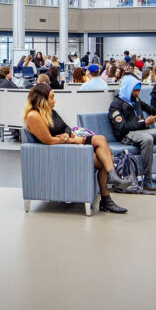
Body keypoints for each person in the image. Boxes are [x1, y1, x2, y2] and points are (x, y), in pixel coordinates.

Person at [22, 83, 131, 213]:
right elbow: (49, 141)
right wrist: (72, 140)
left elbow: (66, 127)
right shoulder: (33, 116)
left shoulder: (50, 112)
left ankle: (112, 175)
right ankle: (107, 198)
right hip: (60, 153)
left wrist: (66, 135)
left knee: (100, 139)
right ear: (42, 99)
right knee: (102, 159)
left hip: (67, 145)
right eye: (51, 97)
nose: (54, 101)